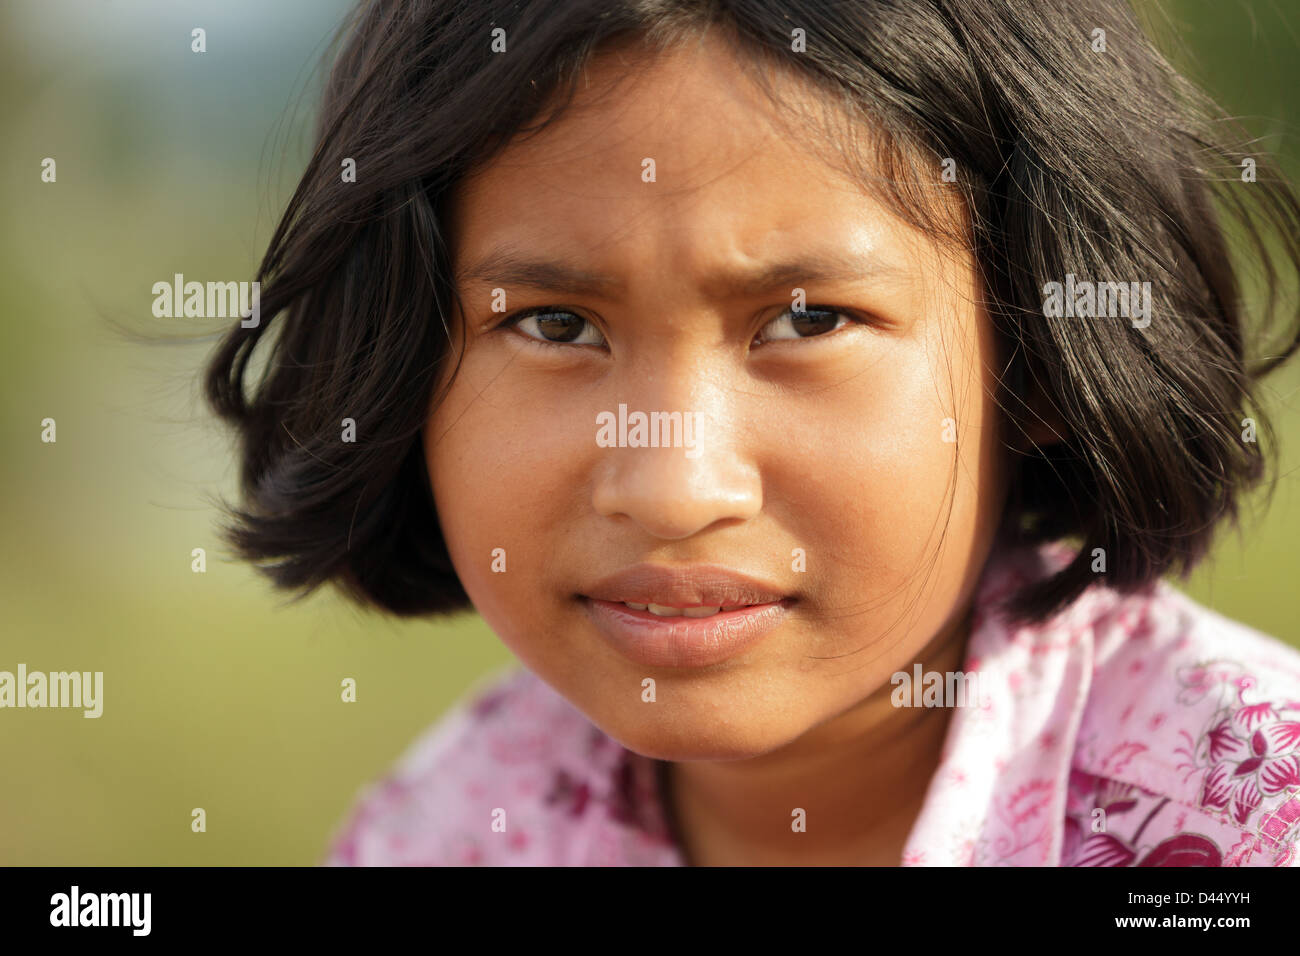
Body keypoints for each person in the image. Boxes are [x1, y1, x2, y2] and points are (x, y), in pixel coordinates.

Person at [204, 0, 1300, 866]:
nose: (675, 488)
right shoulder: (442, 831)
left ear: (1044, 356)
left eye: (809, 319)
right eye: (553, 323)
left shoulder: (1250, 820)